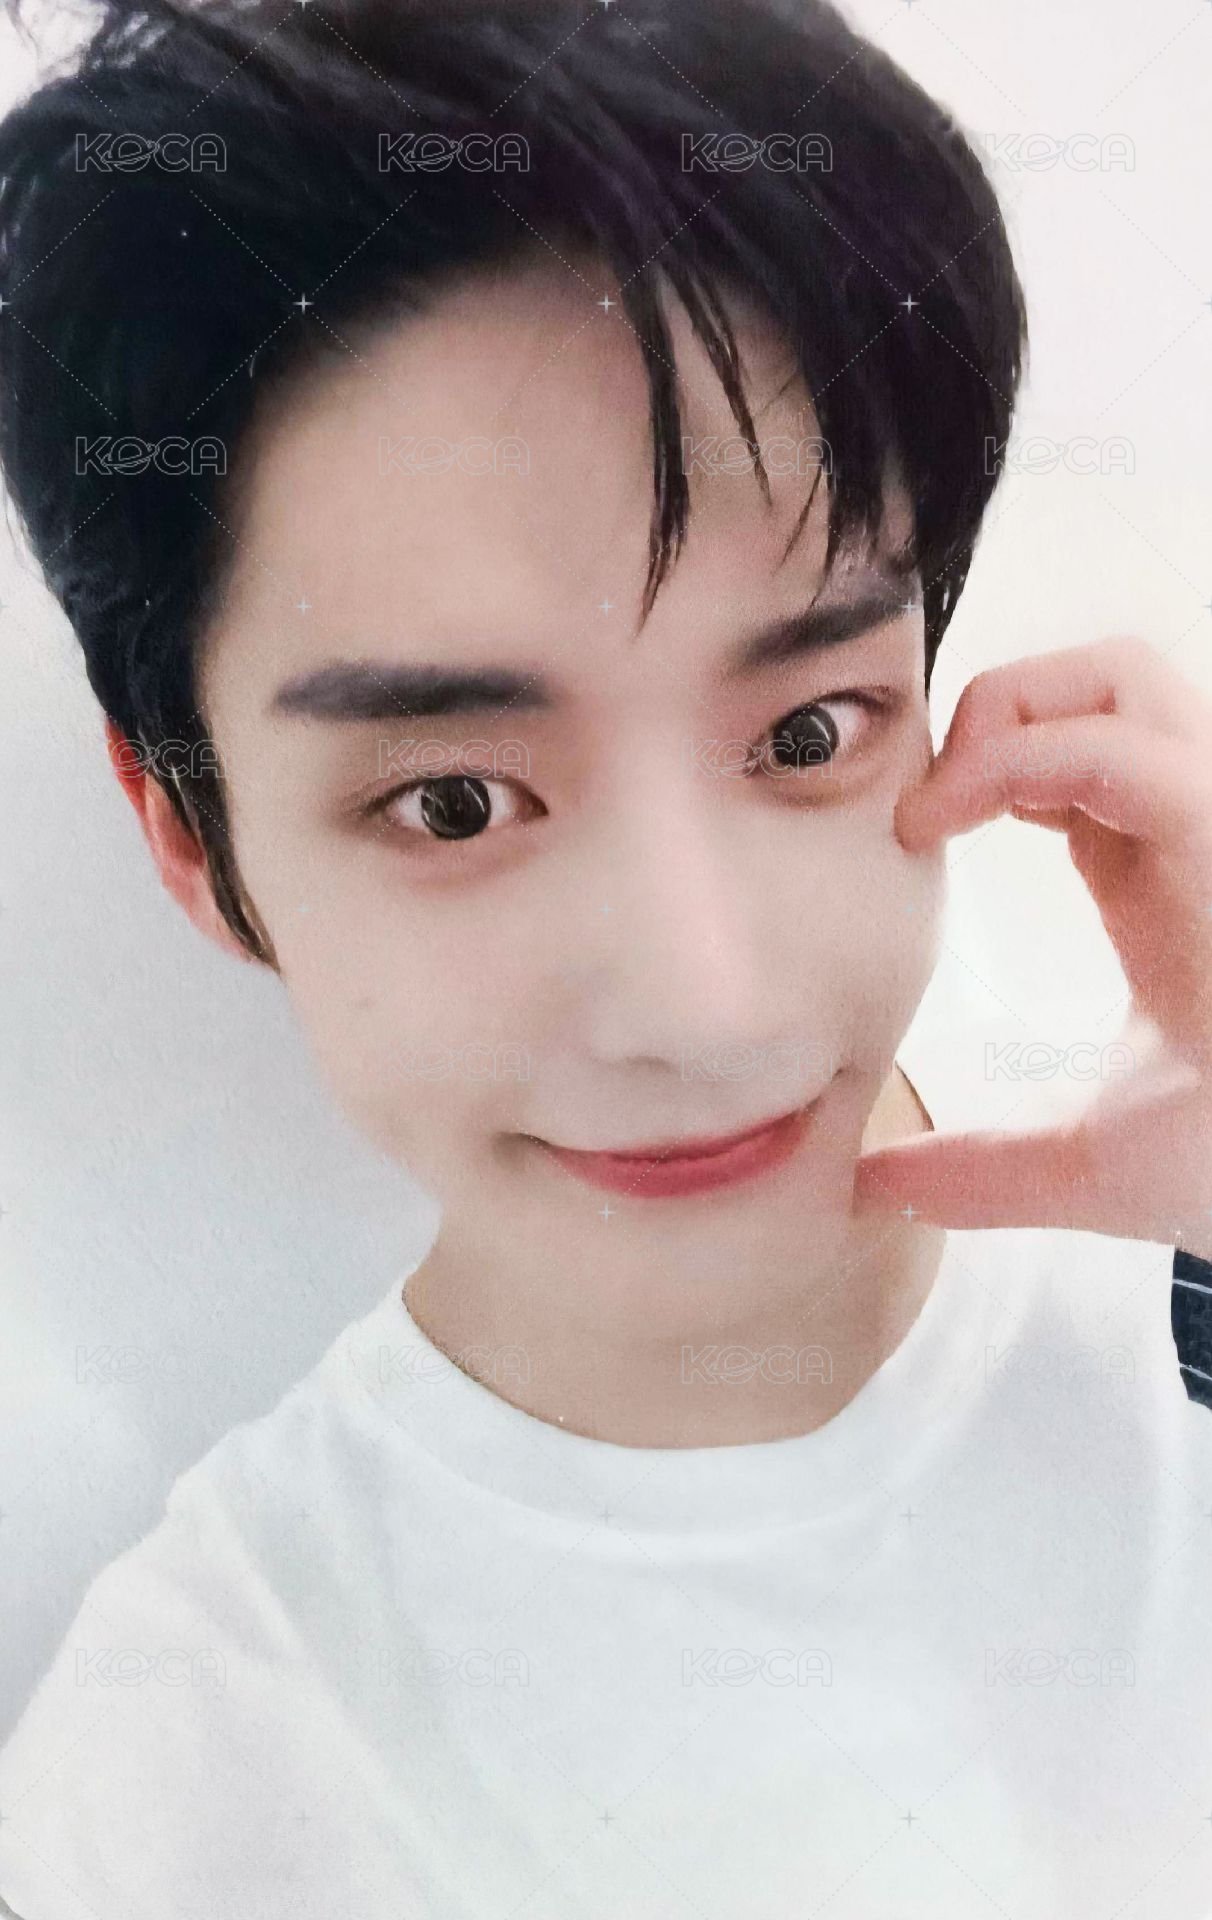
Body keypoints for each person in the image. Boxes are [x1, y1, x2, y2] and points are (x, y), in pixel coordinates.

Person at [2, 0, 1212, 1913]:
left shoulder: (1176, 1237)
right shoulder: (190, 1775)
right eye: (457, 803)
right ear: (190, 833)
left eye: (804, 732)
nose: (704, 1007)